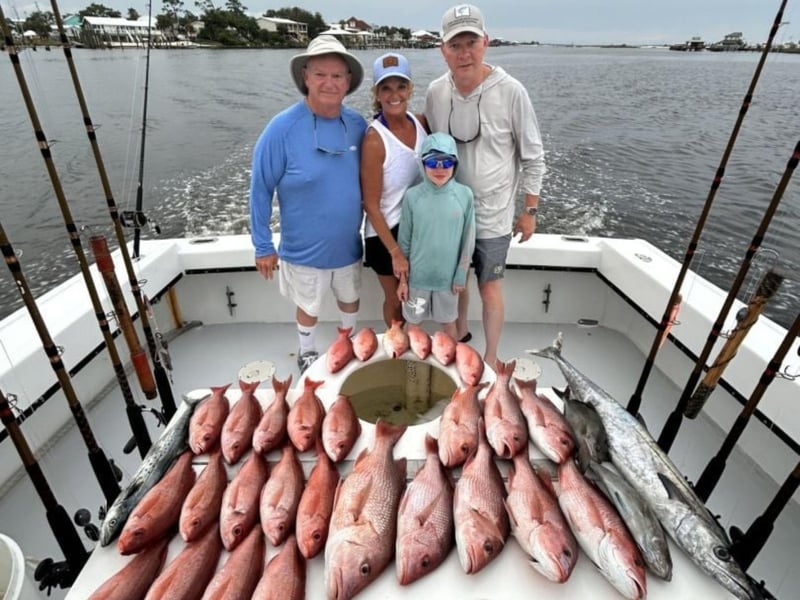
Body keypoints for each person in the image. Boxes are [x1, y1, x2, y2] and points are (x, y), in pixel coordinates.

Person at [424, 4, 546, 366]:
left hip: (494, 214)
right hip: (451, 212)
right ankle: (460, 339)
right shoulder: (435, 92)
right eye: (455, 45)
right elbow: (430, 146)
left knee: (490, 287)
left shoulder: (511, 91)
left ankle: (492, 357)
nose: (464, 53)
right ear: (442, 50)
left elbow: (533, 156)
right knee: (455, 281)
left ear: (486, 43)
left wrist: (530, 211)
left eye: (471, 43)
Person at [249, 35, 367, 374]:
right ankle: (307, 351)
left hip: (348, 245)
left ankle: (347, 342)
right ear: (305, 76)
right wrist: (262, 245)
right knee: (309, 307)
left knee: (350, 298)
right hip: (303, 249)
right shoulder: (281, 128)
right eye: (320, 74)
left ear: (348, 81)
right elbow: (260, 189)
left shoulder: (358, 124)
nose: (329, 82)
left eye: (337, 75)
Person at [360, 52, 429, 326]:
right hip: (384, 234)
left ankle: (413, 343)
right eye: (386, 88)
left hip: (415, 228)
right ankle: (396, 346)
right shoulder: (374, 140)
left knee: (414, 297)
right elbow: (370, 205)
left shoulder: (421, 122)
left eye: (401, 86)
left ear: (410, 89)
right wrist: (396, 253)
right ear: (376, 94)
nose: (394, 95)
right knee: (395, 299)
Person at [397, 132, 475, 339]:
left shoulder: (465, 195)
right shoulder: (412, 196)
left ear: (455, 164)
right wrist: (403, 281)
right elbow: (404, 241)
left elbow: (468, 240)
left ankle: (447, 359)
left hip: (448, 281)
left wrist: (461, 274)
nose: (440, 169)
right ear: (423, 164)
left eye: (447, 162)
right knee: (413, 324)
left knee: (449, 324)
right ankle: (412, 362)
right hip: (417, 279)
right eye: (432, 162)